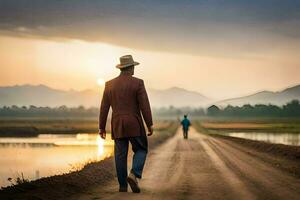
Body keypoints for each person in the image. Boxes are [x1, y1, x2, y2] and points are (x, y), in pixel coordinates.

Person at [99, 55, 153, 193]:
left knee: (120, 155)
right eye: (133, 66)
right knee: (141, 149)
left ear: (121, 68)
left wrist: (101, 127)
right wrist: (149, 124)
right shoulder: (138, 83)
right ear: (131, 68)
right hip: (134, 123)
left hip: (117, 124)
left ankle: (123, 186)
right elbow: (144, 105)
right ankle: (134, 174)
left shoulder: (109, 84)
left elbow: (104, 107)